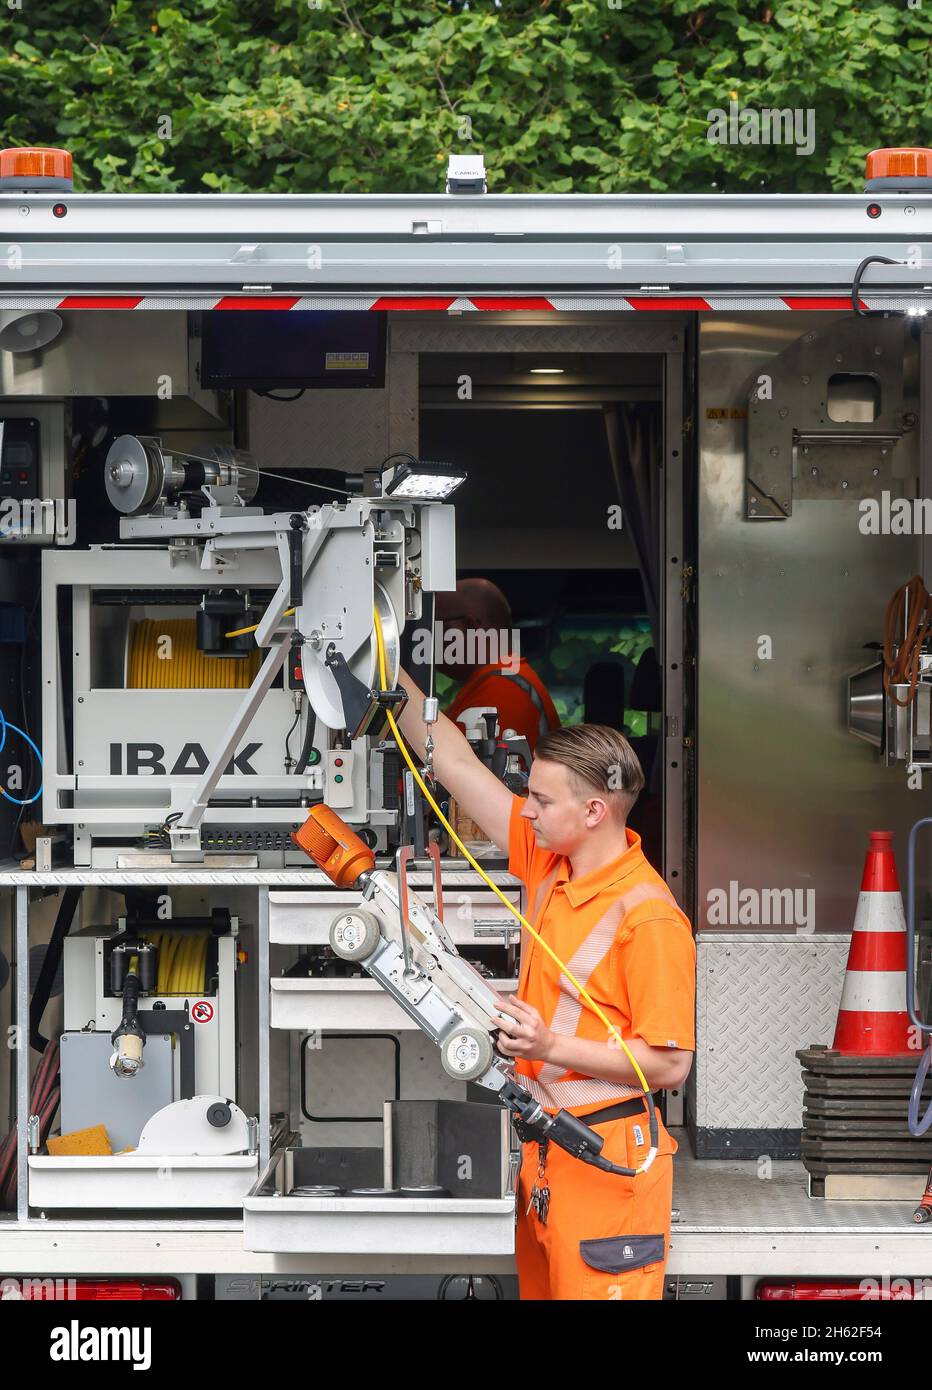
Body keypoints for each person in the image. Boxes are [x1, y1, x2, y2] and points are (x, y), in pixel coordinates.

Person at [396, 667, 696, 1301]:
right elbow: (450, 758)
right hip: (548, 1155)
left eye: (541, 799)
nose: (523, 810)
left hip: (607, 1161)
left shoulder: (650, 918)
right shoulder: (549, 862)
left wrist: (547, 1048)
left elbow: (669, 1065)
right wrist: (378, 658)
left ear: (593, 810)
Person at [434, 578, 559, 752]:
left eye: (436, 625)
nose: (431, 637)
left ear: (469, 626)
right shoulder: (502, 679)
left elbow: (463, 769)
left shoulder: (503, 688)